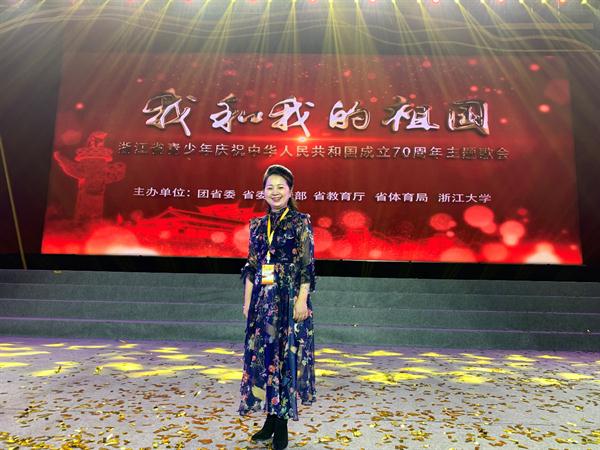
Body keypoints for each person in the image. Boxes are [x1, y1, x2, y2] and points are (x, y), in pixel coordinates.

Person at [239, 164, 316, 450]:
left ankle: (281, 422)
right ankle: (270, 420)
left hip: (289, 299)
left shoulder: (300, 221)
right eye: (269, 187)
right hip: (263, 301)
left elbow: (307, 265)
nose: (275, 192)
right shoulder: (257, 225)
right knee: (265, 358)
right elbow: (252, 266)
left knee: (286, 358)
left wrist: (302, 299)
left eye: (280, 187)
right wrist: (248, 302)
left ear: (290, 191)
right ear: (263, 192)